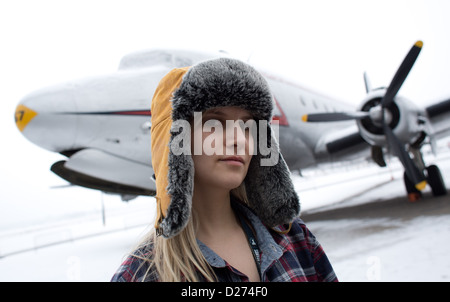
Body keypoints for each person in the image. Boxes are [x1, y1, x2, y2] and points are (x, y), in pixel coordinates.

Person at [111, 58, 337, 282]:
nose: (239, 139)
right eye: (215, 123)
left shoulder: (295, 237)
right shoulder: (140, 276)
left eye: (248, 125)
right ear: (175, 140)